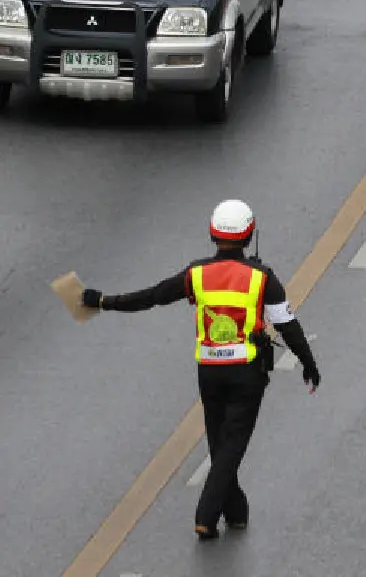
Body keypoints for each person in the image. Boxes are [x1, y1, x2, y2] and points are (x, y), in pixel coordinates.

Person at [80, 199, 321, 540]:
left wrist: (104, 300)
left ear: (212, 233)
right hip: (246, 372)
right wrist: (308, 364)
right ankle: (206, 515)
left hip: (209, 372)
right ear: (250, 235)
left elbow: (152, 296)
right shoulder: (262, 277)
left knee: (218, 441)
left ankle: (236, 512)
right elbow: (288, 326)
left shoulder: (196, 275)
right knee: (232, 444)